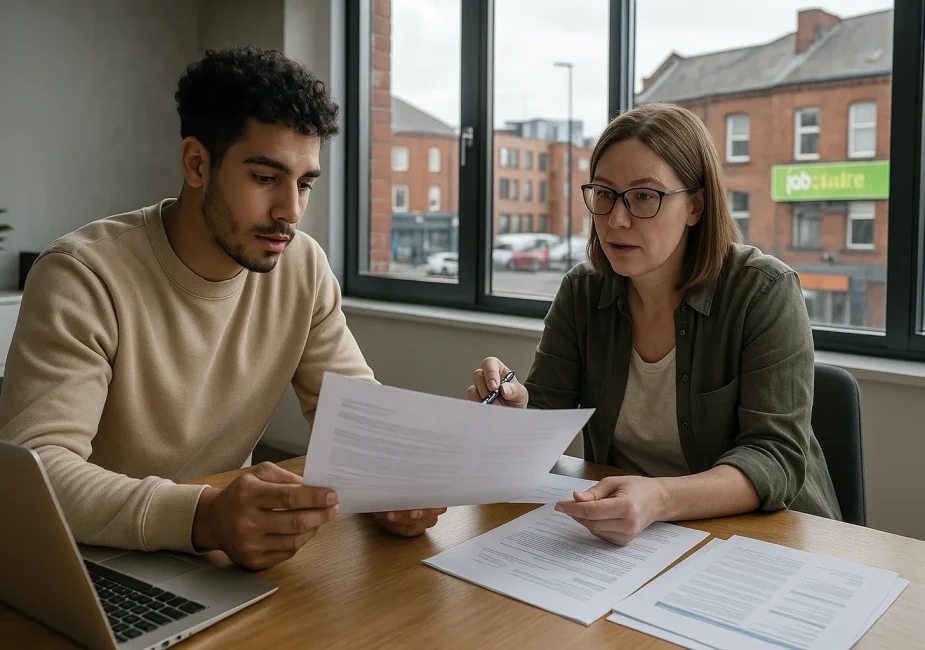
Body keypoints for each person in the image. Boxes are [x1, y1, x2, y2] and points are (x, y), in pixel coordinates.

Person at [0, 47, 444, 570]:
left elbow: (355, 416)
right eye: (265, 178)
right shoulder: (82, 274)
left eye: (304, 184)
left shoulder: (302, 267)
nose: (290, 212)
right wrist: (204, 517)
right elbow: (36, 472)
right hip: (84, 560)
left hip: (213, 561)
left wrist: (394, 481)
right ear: (196, 163)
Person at [468, 103, 841, 546]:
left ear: (696, 206)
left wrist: (660, 497)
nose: (616, 219)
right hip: (633, 541)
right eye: (604, 193)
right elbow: (547, 419)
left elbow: (776, 459)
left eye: (644, 196)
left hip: (767, 540)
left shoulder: (763, 291)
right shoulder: (584, 292)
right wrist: (515, 416)